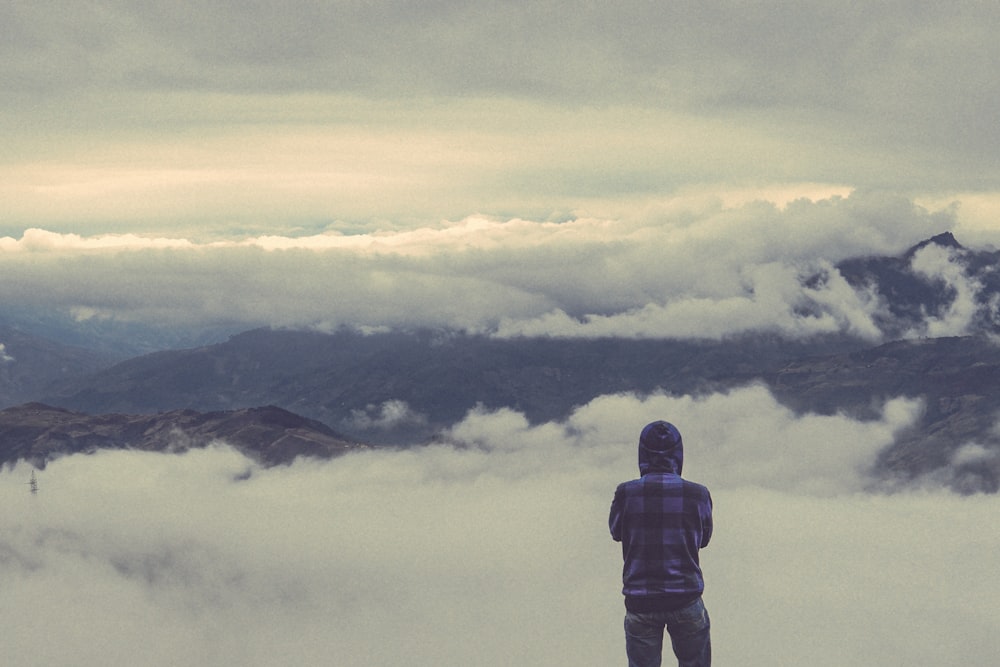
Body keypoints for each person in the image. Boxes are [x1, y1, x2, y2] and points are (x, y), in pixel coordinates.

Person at [609, 420, 713, 667]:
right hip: (686, 599)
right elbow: (704, 539)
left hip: (641, 602)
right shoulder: (698, 494)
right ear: (679, 452)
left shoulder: (626, 493)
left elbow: (616, 532)